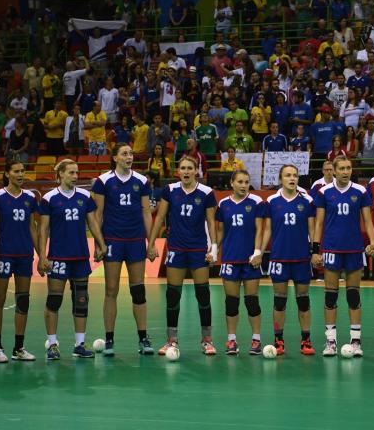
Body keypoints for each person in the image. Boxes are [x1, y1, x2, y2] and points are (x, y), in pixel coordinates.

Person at [147, 156, 218, 355]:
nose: (186, 172)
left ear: (197, 171)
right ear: (178, 171)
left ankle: (207, 340)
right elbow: (160, 217)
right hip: (176, 248)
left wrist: (213, 249)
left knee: (203, 294)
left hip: (198, 249)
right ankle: (172, 340)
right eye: (183, 168)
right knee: (172, 295)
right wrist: (151, 244)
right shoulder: (169, 191)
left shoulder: (206, 193)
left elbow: (211, 222)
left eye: (190, 168)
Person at [38, 159, 107, 361]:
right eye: (71, 173)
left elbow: (93, 223)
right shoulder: (49, 198)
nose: (76, 176)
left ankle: (79, 344)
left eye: (77, 172)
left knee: (81, 301)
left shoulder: (85, 197)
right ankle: (52, 344)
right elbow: (43, 229)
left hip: (80, 257)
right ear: (60, 174)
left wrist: (101, 244)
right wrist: (42, 256)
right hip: (58, 257)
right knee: (54, 300)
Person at [90, 144, 155, 356]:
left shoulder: (142, 181)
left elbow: (146, 212)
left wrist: (151, 242)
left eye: (131, 153)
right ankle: (109, 339)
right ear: (115, 158)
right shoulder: (103, 181)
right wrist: (98, 243)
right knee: (111, 290)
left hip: (135, 240)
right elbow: (97, 215)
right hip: (112, 240)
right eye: (124, 154)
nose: (129, 157)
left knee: (139, 290)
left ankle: (143, 338)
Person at [312, 156, 374, 356]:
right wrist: (315, 250)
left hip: (354, 248)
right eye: (341, 168)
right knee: (331, 296)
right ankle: (330, 341)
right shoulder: (324, 192)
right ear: (333, 170)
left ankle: (356, 341)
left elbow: (367, 221)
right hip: (331, 248)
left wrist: (373, 242)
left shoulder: (360, 191)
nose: (345, 171)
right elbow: (319, 223)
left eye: (348, 168)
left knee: (353, 295)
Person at [0, 159, 39, 363]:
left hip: (24, 254)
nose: (20, 174)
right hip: (4, 254)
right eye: (16, 171)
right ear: (7, 173)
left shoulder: (29, 197)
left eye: (22, 171)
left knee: (23, 300)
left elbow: (32, 228)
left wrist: (41, 254)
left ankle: (19, 347)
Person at [262, 164, 317, 355]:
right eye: (288, 175)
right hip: (279, 258)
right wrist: (259, 252)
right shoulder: (272, 201)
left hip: (301, 258)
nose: (292, 178)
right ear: (280, 179)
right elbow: (267, 229)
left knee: (303, 301)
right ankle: (278, 340)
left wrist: (315, 251)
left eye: (295, 175)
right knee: (279, 302)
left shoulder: (307, 201)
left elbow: (312, 229)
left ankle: (306, 340)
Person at [215, 170, 266, 355]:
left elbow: (260, 230)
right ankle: (231, 340)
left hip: (250, 260)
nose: (244, 185)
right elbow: (220, 231)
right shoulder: (223, 204)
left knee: (252, 302)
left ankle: (256, 340)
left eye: (246, 181)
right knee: (231, 303)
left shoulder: (256, 202)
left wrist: (258, 252)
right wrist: (213, 250)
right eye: (240, 182)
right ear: (232, 183)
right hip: (229, 258)